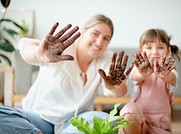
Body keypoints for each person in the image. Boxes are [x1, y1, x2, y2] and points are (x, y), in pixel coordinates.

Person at [0, 14, 133, 134]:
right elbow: (25, 46)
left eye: (106, 38)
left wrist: (113, 87)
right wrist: (39, 55)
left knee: (104, 119)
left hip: (76, 121)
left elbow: (118, 92)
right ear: (83, 31)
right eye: (95, 34)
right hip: (39, 119)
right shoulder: (60, 48)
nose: (99, 42)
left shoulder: (107, 58)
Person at [119, 28, 180, 134]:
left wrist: (164, 75)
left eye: (160, 47)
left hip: (160, 125)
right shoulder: (138, 68)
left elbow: (173, 78)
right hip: (138, 121)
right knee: (129, 109)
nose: (154, 52)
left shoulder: (169, 69)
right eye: (149, 47)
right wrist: (142, 73)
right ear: (141, 52)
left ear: (168, 51)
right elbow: (134, 77)